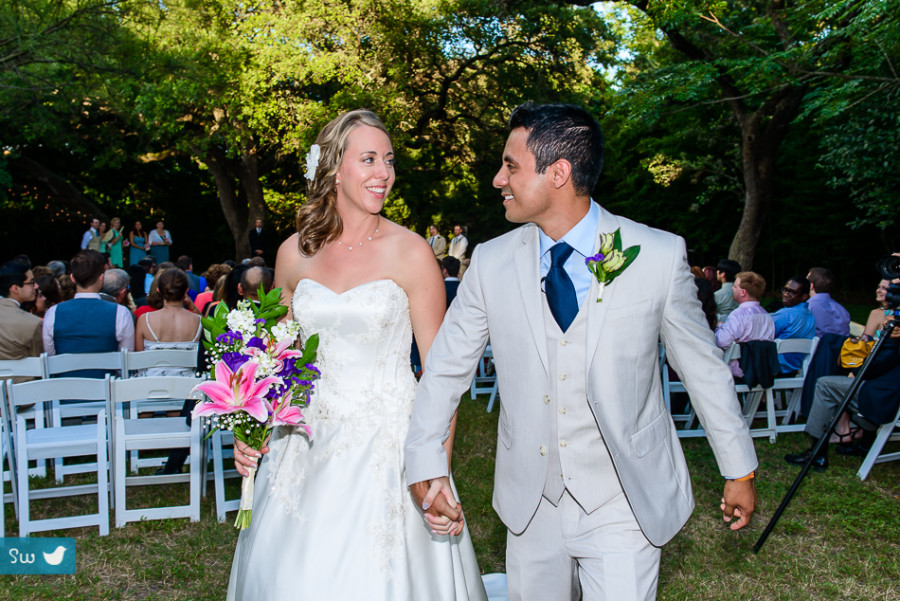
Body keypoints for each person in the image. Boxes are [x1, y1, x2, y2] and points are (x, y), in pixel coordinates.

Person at [405, 103, 757, 601]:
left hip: (624, 500)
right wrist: (424, 462)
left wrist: (738, 467)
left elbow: (703, 370)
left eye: (510, 165)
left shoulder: (655, 255)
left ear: (559, 173)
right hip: (531, 501)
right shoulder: (490, 262)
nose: (496, 179)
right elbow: (444, 371)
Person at [227, 109, 486, 601]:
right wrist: (250, 427)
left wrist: (433, 473)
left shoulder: (411, 253)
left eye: (388, 160)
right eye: (368, 158)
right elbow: (273, 358)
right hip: (302, 443)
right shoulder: (292, 253)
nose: (383, 172)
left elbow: (442, 375)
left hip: (388, 445)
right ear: (334, 167)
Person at [785, 315, 900, 469]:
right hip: (887, 388)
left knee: (825, 385)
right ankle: (858, 440)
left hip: (885, 394)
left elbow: (875, 365)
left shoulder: (894, 339)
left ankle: (817, 453)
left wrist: (887, 338)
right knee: (838, 382)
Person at [42, 250, 135, 376]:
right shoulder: (121, 313)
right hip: (107, 391)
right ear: (101, 278)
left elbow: (51, 359)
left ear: (72, 278)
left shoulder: (53, 313)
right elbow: (125, 362)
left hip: (64, 391)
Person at [714, 271, 775, 379]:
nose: (732, 289)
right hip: (762, 370)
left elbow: (721, 341)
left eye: (735, 286)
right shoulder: (767, 316)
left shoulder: (738, 315)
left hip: (739, 370)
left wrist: (719, 327)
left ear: (743, 292)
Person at [0, 261, 44, 382]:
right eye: (31, 283)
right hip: (24, 395)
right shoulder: (32, 323)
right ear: (15, 288)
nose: (36, 286)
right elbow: (40, 366)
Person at [771, 276, 816, 375]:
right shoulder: (810, 315)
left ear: (804, 296)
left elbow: (763, 335)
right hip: (795, 367)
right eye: (785, 290)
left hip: (775, 367)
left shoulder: (785, 314)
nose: (786, 294)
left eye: (792, 292)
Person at [806, 267, 851, 337]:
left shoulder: (807, 307)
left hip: (817, 347)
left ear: (811, 285)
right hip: (841, 347)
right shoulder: (842, 310)